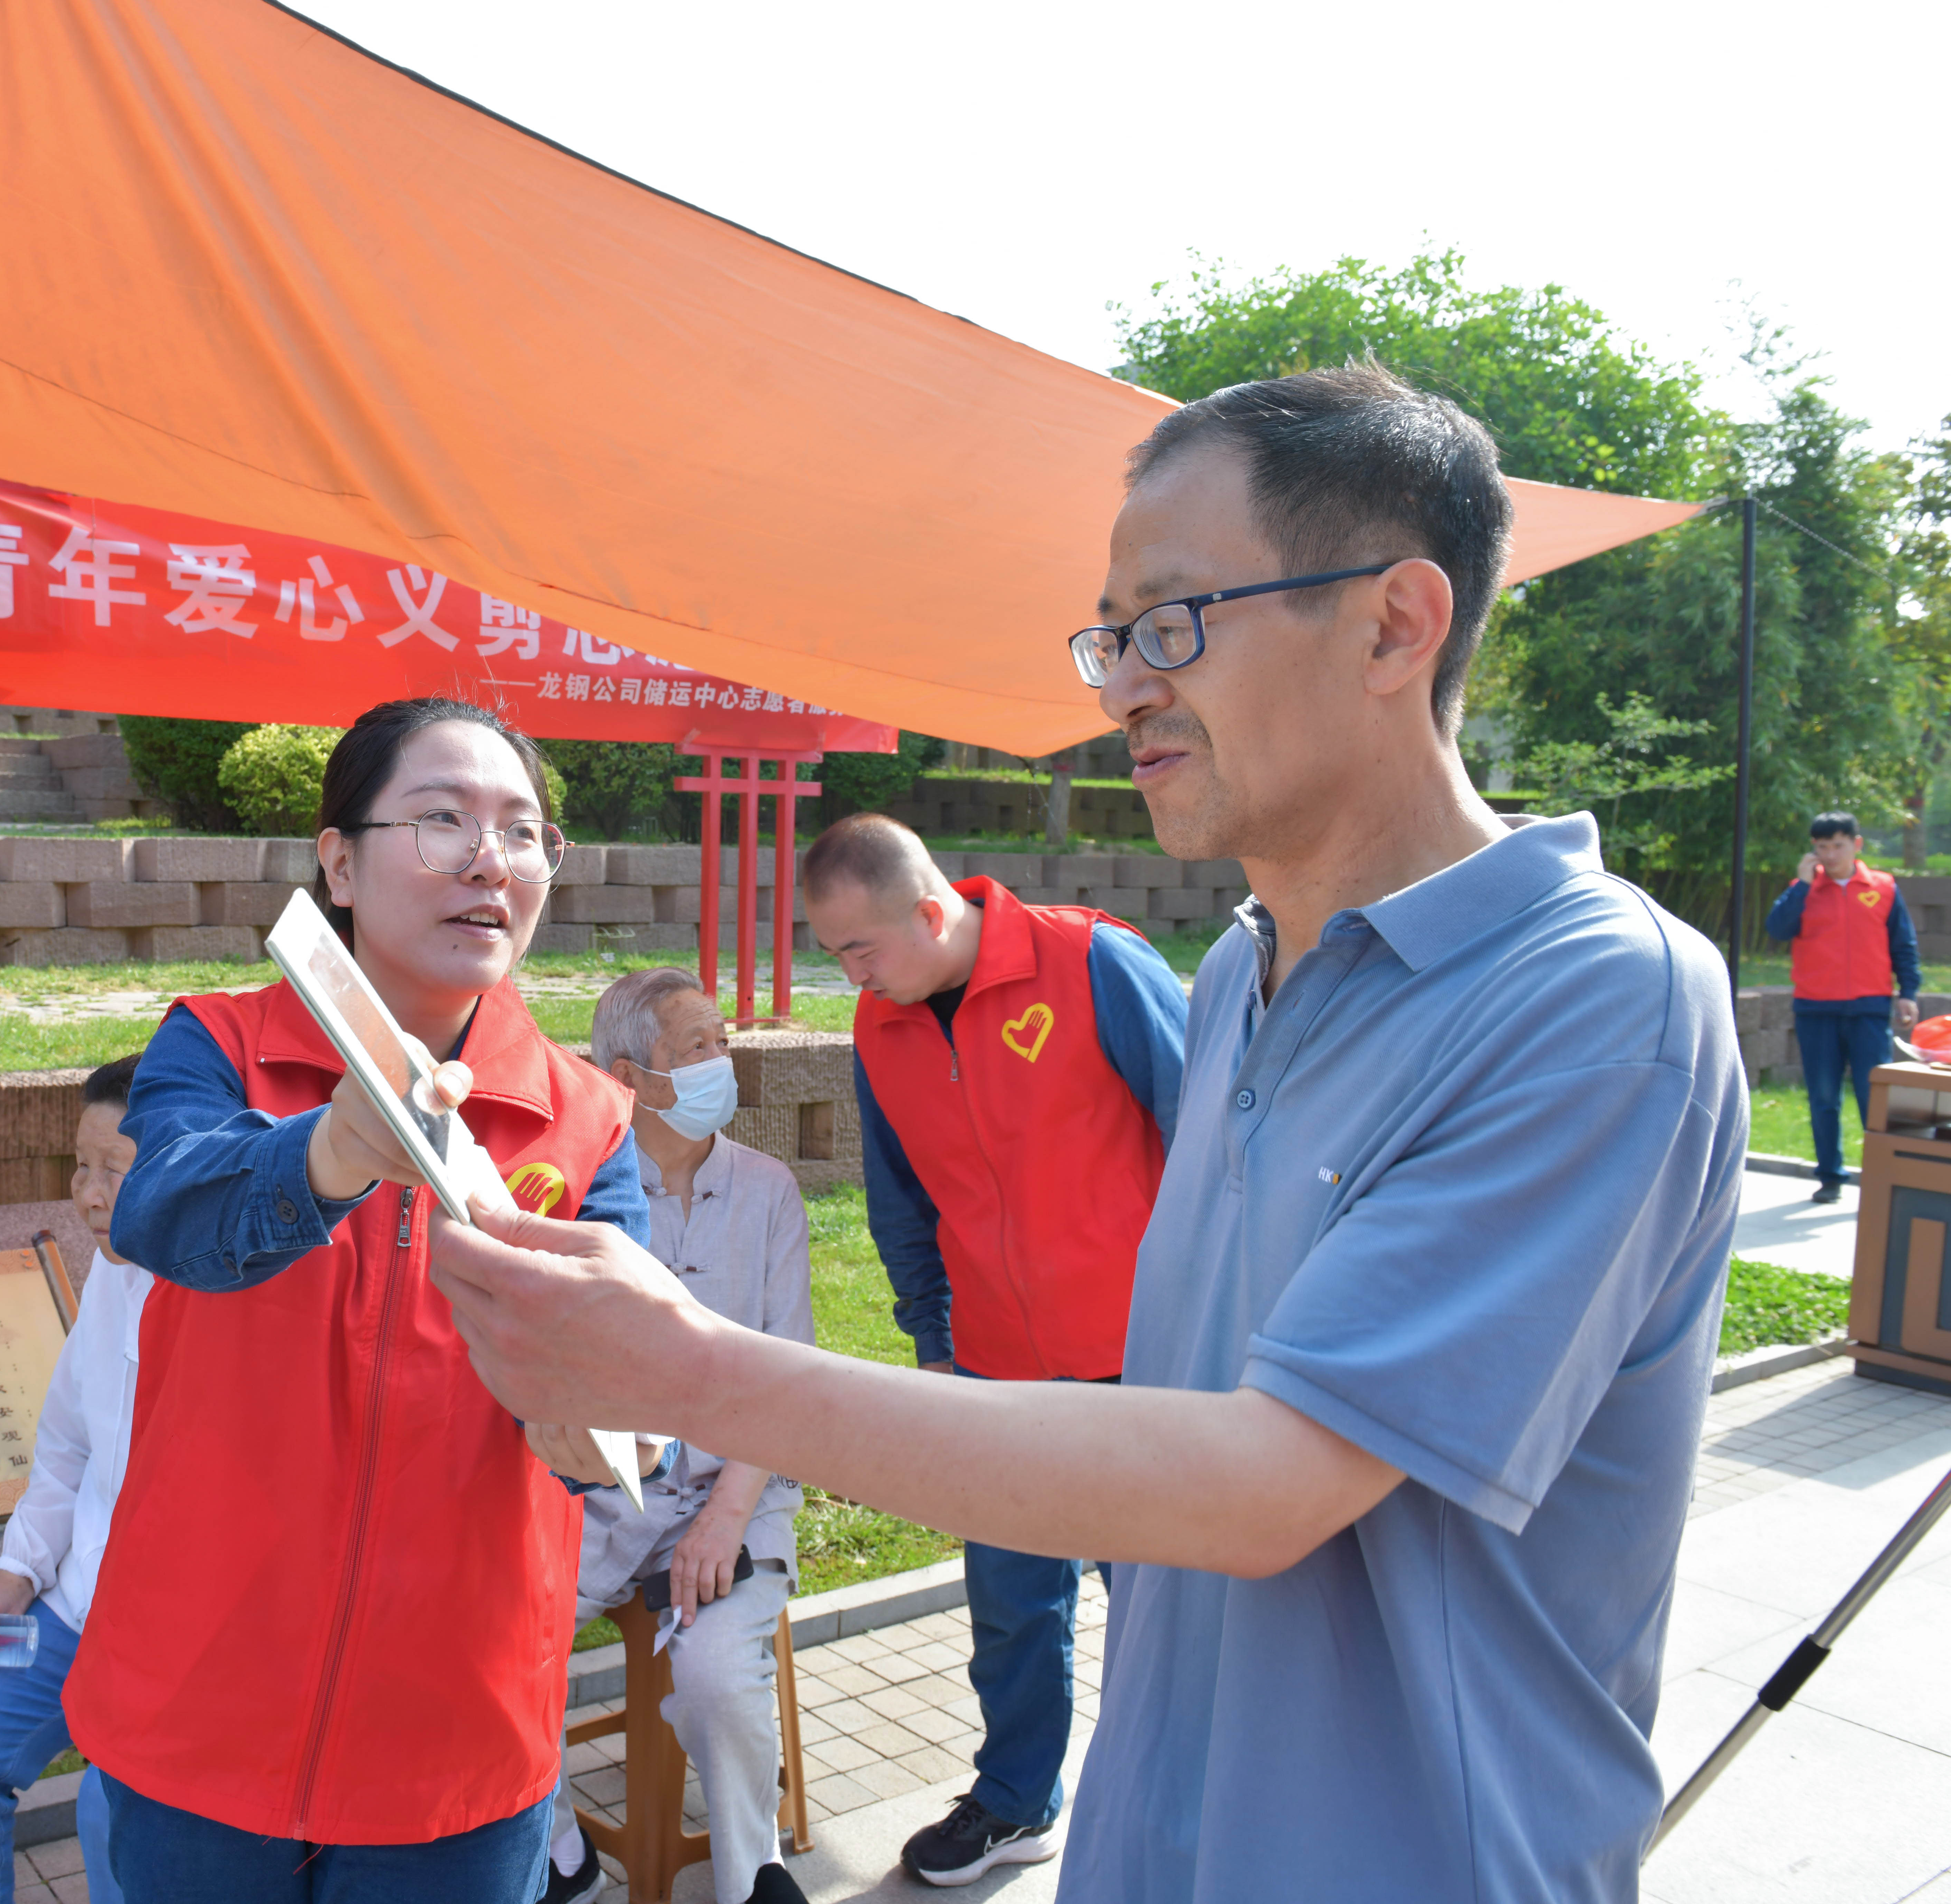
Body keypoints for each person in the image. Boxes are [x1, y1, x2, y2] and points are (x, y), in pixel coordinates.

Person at [422, 363, 1747, 1903]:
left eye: (1172, 623)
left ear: (1394, 625)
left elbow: (1263, 1484)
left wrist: (690, 1370)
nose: (1120, 688)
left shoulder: (1594, 999)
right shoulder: (1243, 976)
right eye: (1109, 637)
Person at [63, 696, 653, 1904]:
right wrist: (329, 1152)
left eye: (522, 831)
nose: (489, 859)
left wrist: (614, 1429)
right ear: (337, 861)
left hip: (456, 1736)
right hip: (200, 1705)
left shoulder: (588, 1118)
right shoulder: (215, 1044)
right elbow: (159, 1211)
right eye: (441, 820)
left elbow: (621, 1375)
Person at [794, 810, 1182, 1885]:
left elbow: (1215, 1134)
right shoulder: (881, 1025)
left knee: (1165, 1611)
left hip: (1144, 1362)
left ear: (930, 913)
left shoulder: (1092, 962)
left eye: (858, 948)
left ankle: (1183, 1796)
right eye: (834, 952)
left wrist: (1210, 1322)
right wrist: (933, 1337)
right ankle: (1016, 1800)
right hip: (996, 1369)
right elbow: (899, 1199)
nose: (849, 974)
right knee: (1012, 1606)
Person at [544, 966, 815, 1904]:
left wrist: (726, 1517)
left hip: (741, 1488)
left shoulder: (768, 1191)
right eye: (696, 1046)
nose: (721, 1060)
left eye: (721, 1041)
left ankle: (753, 1877)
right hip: (605, 1494)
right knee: (493, 1646)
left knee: (712, 1676)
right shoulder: (585, 1193)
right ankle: (559, 1853)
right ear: (629, 1077)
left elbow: (789, 1377)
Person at [0, 1052, 146, 1904]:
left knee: (112, 1809)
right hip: (79, 1609)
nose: (88, 1195)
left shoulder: (238, 1301)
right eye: (81, 1165)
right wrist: (13, 1579)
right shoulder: (113, 1273)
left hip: (179, 1641)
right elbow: (66, 1450)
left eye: (115, 1170)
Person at [1765, 811, 1921, 1203]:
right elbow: (1778, 930)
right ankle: (1830, 1177)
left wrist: (1909, 992)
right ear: (1813, 849)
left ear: (1857, 844)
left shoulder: (1884, 887)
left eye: (1839, 845)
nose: (1831, 854)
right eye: (1823, 847)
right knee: (1823, 1097)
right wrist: (1803, 885)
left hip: (1870, 1009)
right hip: (1816, 1009)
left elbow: (1903, 945)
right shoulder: (1802, 891)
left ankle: (1882, 1180)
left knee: (1875, 1098)